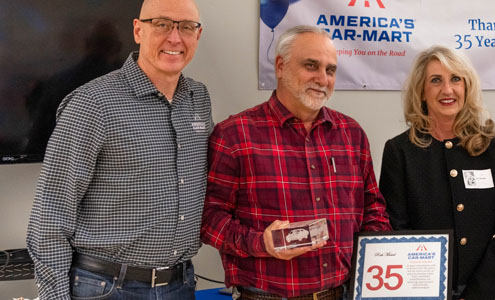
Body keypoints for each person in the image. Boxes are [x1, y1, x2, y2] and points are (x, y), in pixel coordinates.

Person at [25, 0, 209, 298]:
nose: (175, 38)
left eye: (186, 27)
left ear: (197, 35)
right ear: (138, 31)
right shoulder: (92, 103)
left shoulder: (197, 98)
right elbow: (51, 214)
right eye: (162, 24)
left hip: (180, 285)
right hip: (108, 288)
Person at [200, 25, 391, 300]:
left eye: (330, 70)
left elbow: (373, 208)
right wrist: (261, 243)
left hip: (341, 294)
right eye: (311, 65)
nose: (322, 79)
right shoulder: (234, 135)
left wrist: (372, 257)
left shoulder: (352, 134)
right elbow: (209, 219)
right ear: (280, 66)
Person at [379, 46, 495, 300]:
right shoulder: (399, 151)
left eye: (456, 79)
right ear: (421, 91)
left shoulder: (494, 148)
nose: (447, 90)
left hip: (484, 293)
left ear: (466, 87)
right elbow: (395, 230)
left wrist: (477, 294)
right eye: (436, 80)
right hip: (421, 292)